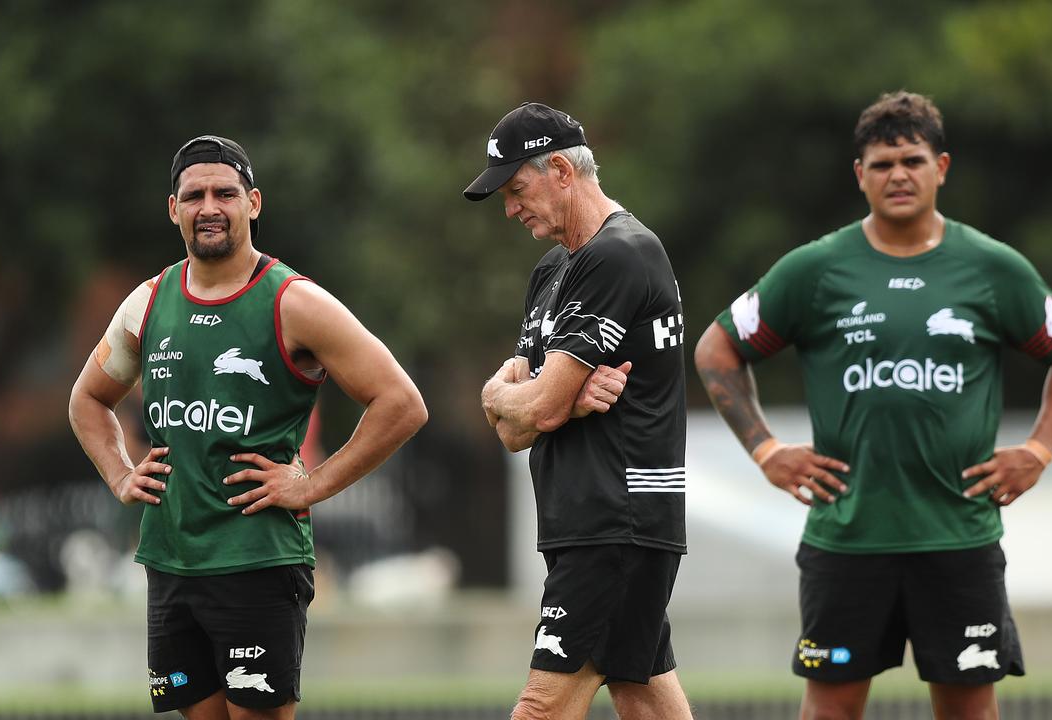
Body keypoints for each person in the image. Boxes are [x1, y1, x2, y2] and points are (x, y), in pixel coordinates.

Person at [694, 91, 1052, 720]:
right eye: (881, 164)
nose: (898, 175)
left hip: (958, 536)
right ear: (860, 176)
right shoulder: (816, 270)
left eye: (912, 160)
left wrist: (1039, 451)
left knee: (968, 711)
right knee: (831, 708)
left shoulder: (991, 267)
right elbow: (717, 349)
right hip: (847, 538)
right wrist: (767, 450)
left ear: (942, 166)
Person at [68, 135, 427, 720]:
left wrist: (311, 485)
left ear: (253, 203)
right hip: (171, 562)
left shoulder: (293, 302)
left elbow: (401, 403)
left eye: (225, 193)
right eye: (194, 195)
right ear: (174, 209)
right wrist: (120, 473)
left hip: (256, 563)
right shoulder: (148, 302)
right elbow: (88, 400)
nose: (209, 206)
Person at [464, 103, 693, 720]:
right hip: (585, 522)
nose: (511, 209)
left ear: (560, 170)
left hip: (616, 521)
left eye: (517, 189)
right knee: (642, 693)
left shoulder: (619, 254)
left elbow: (532, 410)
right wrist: (532, 399)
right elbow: (515, 427)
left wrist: (525, 399)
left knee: (541, 707)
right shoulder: (552, 269)